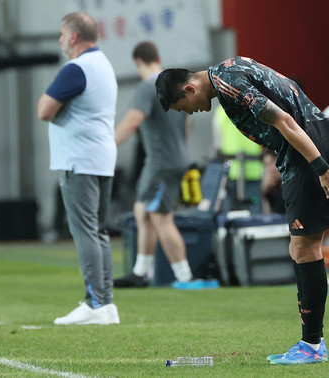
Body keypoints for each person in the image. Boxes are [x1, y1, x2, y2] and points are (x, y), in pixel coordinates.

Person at [155, 56, 329, 365]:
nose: (190, 111)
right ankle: (311, 342)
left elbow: (285, 120)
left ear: (190, 89)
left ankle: (313, 344)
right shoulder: (229, 69)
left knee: (305, 248)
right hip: (299, 154)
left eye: (184, 106)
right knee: (301, 247)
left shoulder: (227, 82)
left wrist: (321, 168)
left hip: (306, 155)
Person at [36, 12, 119, 325]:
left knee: (85, 231)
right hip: (101, 158)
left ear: (72, 36)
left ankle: (94, 303)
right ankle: (106, 303)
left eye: (61, 34)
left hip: (79, 159)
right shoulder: (104, 64)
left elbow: (43, 109)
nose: (59, 40)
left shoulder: (76, 68)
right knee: (98, 232)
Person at [113, 41, 195, 288]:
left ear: (138, 61)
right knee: (142, 210)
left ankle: (185, 277)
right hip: (175, 158)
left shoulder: (147, 87)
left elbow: (133, 119)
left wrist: (108, 146)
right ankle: (140, 272)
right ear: (158, 57)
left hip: (161, 162)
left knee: (160, 217)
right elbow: (188, 123)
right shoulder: (174, 85)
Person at [212, 104, 264, 213]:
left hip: (229, 171)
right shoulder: (255, 106)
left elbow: (217, 143)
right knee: (254, 216)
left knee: (230, 217)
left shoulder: (221, 111)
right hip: (253, 170)